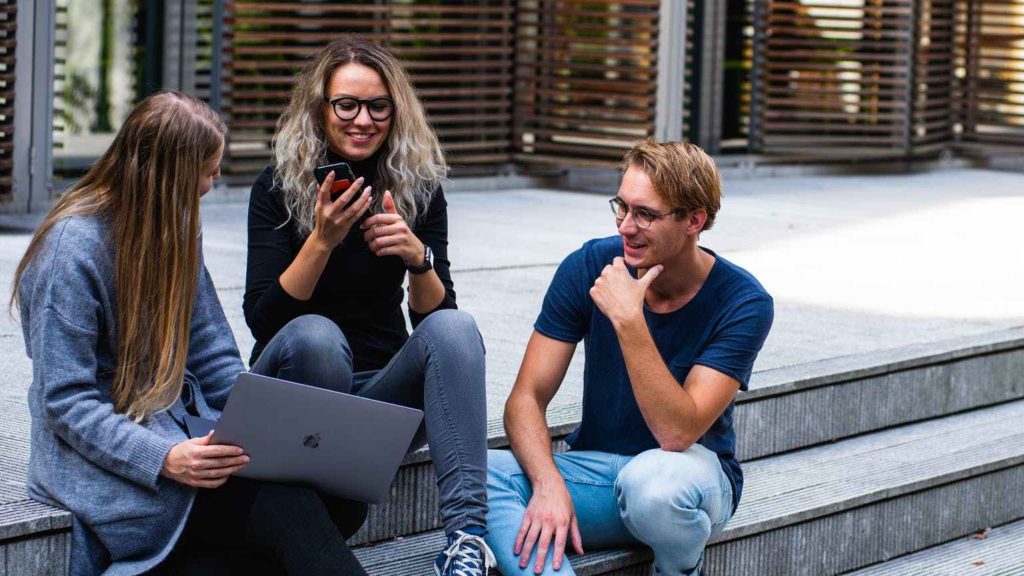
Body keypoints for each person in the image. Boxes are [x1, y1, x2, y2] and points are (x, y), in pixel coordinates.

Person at [13, 91, 370, 576]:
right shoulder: (70, 252)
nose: (215, 180)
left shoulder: (176, 224)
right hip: (110, 460)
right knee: (287, 510)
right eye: (208, 169)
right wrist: (164, 457)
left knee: (340, 503)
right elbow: (66, 401)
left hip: (183, 432)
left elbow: (212, 351)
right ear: (171, 175)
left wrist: (259, 430)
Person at [243, 36, 493, 576]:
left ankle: (467, 541)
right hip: (296, 388)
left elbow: (435, 322)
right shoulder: (278, 189)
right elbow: (262, 320)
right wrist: (322, 240)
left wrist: (417, 258)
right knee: (316, 336)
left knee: (457, 328)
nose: (363, 120)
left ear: (395, 111)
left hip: (378, 395)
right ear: (321, 109)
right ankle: (317, 512)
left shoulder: (417, 189)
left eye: (378, 106)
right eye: (346, 105)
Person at [485, 139, 774, 576]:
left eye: (645, 214)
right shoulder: (589, 265)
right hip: (598, 473)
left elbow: (677, 433)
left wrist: (629, 321)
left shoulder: (743, 301)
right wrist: (547, 484)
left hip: (687, 480)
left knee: (653, 484)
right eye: (621, 206)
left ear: (694, 220)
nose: (625, 226)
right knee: (482, 473)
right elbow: (525, 399)